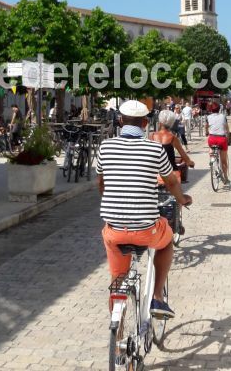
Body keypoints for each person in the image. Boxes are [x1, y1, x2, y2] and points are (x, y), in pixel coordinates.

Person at [97, 100, 192, 319]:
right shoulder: (154, 149)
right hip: (146, 229)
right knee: (167, 240)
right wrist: (182, 199)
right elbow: (170, 182)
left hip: (114, 229)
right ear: (145, 122)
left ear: (120, 121)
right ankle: (157, 297)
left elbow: (101, 183)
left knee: (117, 279)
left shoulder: (105, 147)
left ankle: (117, 335)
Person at [150, 109, 194, 183]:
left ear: (160, 123)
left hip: (155, 175)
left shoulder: (152, 136)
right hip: (171, 174)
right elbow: (183, 155)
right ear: (172, 123)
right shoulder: (172, 138)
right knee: (181, 195)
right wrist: (190, 162)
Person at [205, 102, 230, 184]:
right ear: (219, 109)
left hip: (212, 138)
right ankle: (225, 177)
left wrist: (206, 132)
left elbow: (206, 126)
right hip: (221, 139)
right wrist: (228, 134)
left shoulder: (208, 117)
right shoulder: (223, 116)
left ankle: (213, 163)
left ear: (211, 109)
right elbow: (226, 127)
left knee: (211, 148)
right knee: (224, 161)